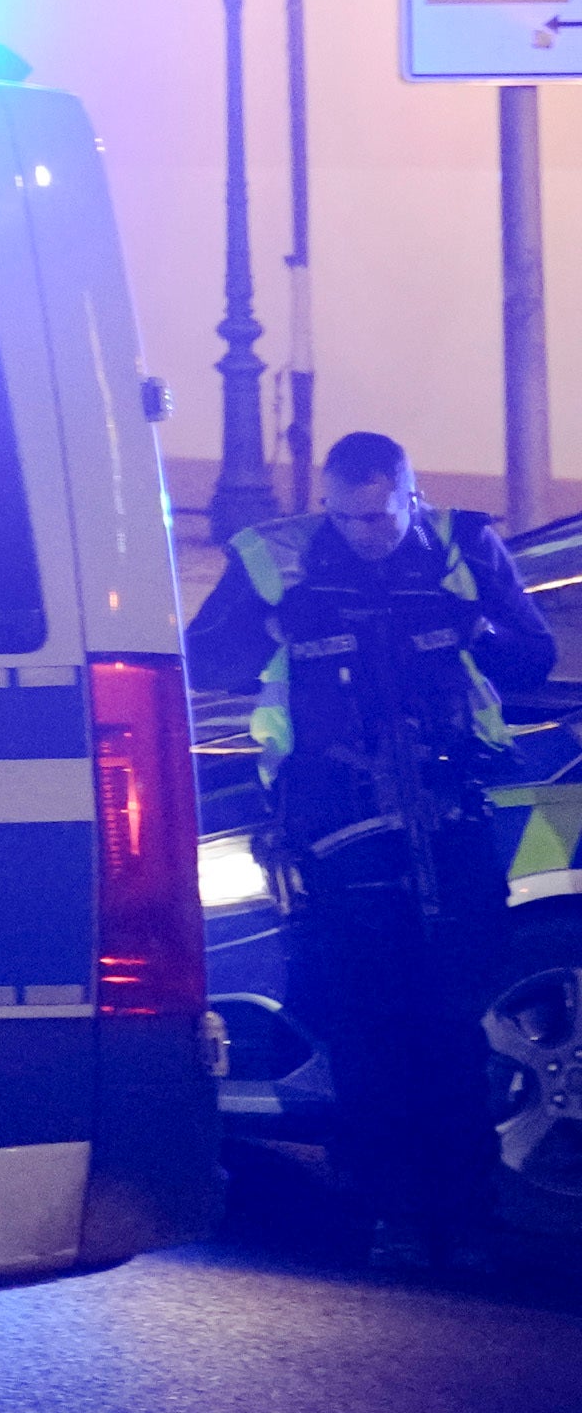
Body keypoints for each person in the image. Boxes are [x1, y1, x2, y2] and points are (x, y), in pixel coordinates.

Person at [187, 428, 564, 1266]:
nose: (369, 533)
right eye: (351, 518)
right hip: (339, 832)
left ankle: (463, 1215)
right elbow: (207, 659)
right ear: (326, 502)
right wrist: (275, 629)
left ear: (410, 495)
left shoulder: (467, 548)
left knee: (450, 1025)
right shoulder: (274, 559)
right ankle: (388, 1212)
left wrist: (473, 633)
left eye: (382, 516)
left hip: (448, 821)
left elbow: (532, 655)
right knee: (368, 1030)